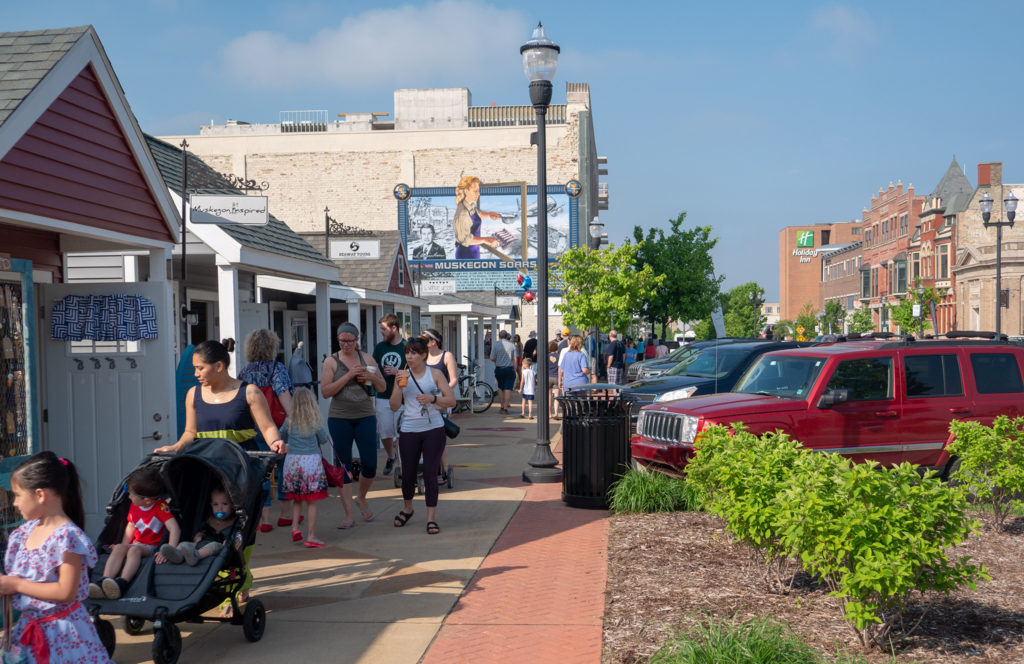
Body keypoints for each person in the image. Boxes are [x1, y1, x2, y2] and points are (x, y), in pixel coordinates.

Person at [154, 338, 286, 616]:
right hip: (206, 470)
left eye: (200, 368)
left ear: (219, 366)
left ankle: (236, 583)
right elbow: (190, 433)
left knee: (241, 528)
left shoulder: (249, 393)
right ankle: (211, 579)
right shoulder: (193, 395)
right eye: (195, 369)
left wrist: (276, 443)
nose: (196, 373)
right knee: (209, 524)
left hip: (242, 468)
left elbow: (267, 427)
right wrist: (175, 448)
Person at [0, 452, 110, 663]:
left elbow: (65, 591)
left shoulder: (67, 537)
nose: (14, 503)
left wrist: (15, 584)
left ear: (40, 494)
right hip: (28, 631)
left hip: (63, 637)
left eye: (17, 495)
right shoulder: (22, 534)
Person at [389, 337, 456, 535]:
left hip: (433, 429)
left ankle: (431, 518)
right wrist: (398, 387)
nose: (409, 356)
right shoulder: (402, 375)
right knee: (408, 474)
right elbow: (394, 406)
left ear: (423, 355)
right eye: (407, 353)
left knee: (430, 474)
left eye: (414, 353)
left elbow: (451, 401)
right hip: (409, 429)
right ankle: (407, 508)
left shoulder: (434, 374)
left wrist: (433, 398)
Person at [321, 322, 386, 523]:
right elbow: (325, 392)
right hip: (339, 417)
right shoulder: (331, 362)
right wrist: (348, 375)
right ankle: (349, 514)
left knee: (370, 464)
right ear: (338, 340)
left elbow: (383, 387)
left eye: (350, 341)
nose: (346, 345)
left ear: (357, 340)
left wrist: (371, 377)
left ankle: (362, 497)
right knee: (344, 466)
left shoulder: (366, 358)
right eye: (342, 341)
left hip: (365, 415)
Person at [90, 465, 180, 600]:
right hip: (136, 543)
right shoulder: (134, 505)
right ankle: (104, 580)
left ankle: (122, 583)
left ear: (147, 500)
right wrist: (124, 545)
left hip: (150, 546)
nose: (129, 496)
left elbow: (174, 528)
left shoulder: (160, 507)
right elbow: (131, 526)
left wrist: (169, 550)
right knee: (120, 548)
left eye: (131, 493)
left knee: (134, 551)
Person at [238, 328, 295, 532]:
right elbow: (285, 398)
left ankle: (265, 518)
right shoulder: (277, 369)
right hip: (277, 426)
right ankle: (286, 513)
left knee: (260, 471)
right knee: (284, 467)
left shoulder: (244, 372)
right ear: (272, 347)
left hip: (253, 427)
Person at [278, 387, 338, 547]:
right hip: (310, 463)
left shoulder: (289, 419)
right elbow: (324, 439)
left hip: (292, 462)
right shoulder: (314, 420)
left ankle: (295, 528)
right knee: (312, 501)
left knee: (297, 499)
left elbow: (280, 434)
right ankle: (311, 536)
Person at [160, 485, 232, 566]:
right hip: (201, 543)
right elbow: (203, 530)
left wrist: (228, 541)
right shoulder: (210, 520)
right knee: (183, 544)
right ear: (211, 505)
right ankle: (178, 556)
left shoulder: (233, 522)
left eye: (225, 504)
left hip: (217, 546)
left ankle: (196, 556)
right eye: (216, 504)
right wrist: (199, 535)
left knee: (214, 545)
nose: (220, 509)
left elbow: (234, 536)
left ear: (232, 505)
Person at [422, 328, 458, 482]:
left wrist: (444, 392)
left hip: (441, 400)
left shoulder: (446, 356)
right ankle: (425, 468)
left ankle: (442, 469)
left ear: (433, 342)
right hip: (424, 401)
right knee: (423, 436)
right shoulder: (421, 357)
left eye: (424, 341)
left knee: (439, 438)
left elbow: (454, 378)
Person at [374, 314, 406, 475]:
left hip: (402, 398)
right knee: (385, 431)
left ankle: (400, 466)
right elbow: (373, 367)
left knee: (401, 432)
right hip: (382, 395)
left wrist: (396, 372)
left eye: (384, 329)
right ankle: (390, 456)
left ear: (394, 328)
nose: (381, 332)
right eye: (381, 328)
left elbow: (414, 372)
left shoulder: (407, 347)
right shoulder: (380, 348)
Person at [453, 175, 501, 259]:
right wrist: (486, 240)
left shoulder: (470, 206)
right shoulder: (462, 213)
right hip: (465, 255)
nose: (478, 193)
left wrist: (489, 214)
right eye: (475, 191)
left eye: (478, 191)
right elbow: (465, 239)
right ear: (466, 191)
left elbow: (478, 214)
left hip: (475, 252)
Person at [489, 330, 518, 415]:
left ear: (499, 336)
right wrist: (515, 370)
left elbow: (491, 358)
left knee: (500, 388)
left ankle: (501, 406)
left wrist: (498, 359)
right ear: (506, 336)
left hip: (499, 369)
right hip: (509, 369)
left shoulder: (496, 345)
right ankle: (505, 408)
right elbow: (515, 359)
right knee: (508, 388)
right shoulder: (512, 346)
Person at [547, 341, 561, 420]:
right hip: (556, 377)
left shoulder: (547, 356)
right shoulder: (558, 356)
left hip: (548, 377)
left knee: (549, 397)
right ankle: (556, 413)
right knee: (556, 396)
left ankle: (549, 414)